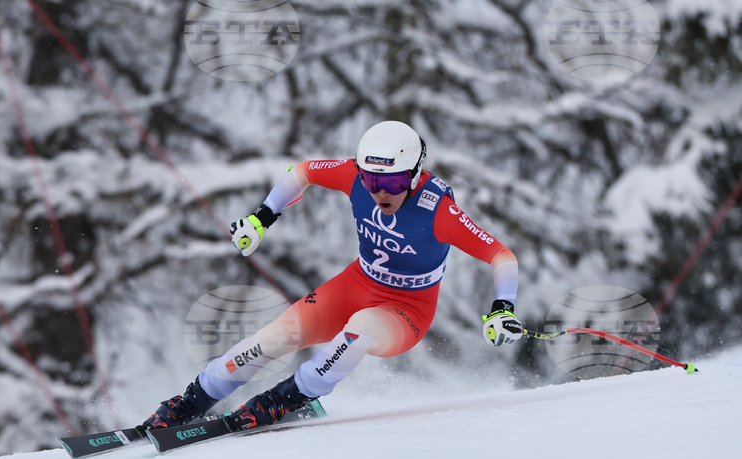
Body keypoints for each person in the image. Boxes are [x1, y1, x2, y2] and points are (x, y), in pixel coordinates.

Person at [143, 120, 522, 431]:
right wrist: (261, 219)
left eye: (389, 183)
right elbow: (301, 173)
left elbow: (501, 255)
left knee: (359, 329)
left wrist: (502, 307)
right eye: (371, 181)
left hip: (406, 310)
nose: (378, 192)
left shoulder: (437, 209)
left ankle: (284, 399)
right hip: (355, 285)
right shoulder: (356, 177)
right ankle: (192, 400)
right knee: (273, 338)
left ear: (413, 175)